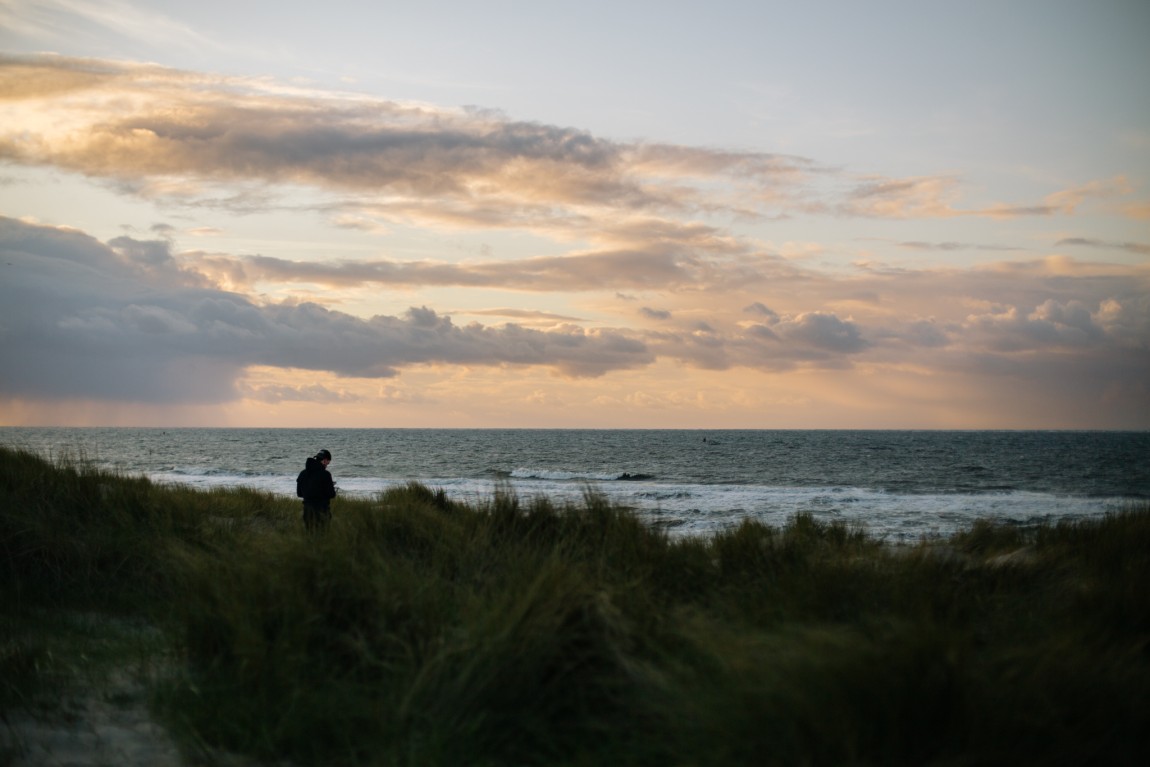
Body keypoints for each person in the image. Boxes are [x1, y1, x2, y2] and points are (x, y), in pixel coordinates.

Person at [297, 449, 336, 531]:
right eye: (328, 463)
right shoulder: (326, 474)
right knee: (323, 537)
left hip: (307, 511)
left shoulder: (303, 473)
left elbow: (299, 493)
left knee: (310, 536)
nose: (327, 465)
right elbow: (332, 494)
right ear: (325, 460)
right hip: (322, 511)